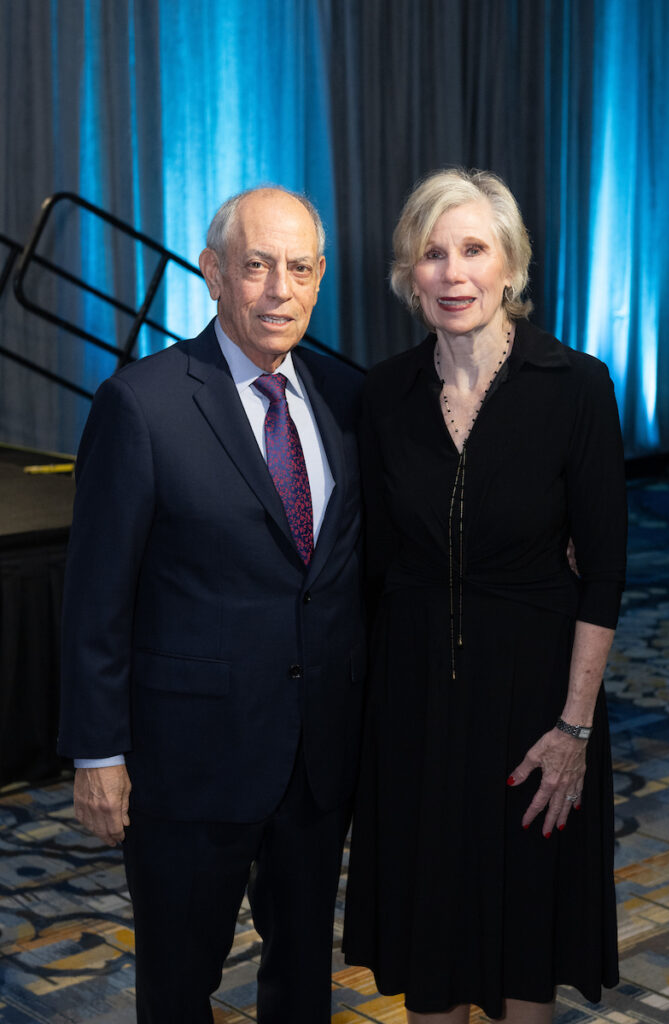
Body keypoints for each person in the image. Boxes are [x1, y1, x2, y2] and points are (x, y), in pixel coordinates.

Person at [58, 186, 366, 1024]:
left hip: (316, 756)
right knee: (178, 980)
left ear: (320, 277)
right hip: (187, 762)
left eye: (299, 269)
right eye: (257, 266)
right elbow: (96, 597)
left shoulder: (347, 399)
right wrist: (97, 754)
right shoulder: (143, 404)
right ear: (213, 273)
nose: (279, 290)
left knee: (303, 974)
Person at [342, 168, 627, 1023]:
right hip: (415, 709)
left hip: (536, 711)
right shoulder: (382, 395)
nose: (452, 273)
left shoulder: (574, 386)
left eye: (473, 250)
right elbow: (373, 569)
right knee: (428, 953)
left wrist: (573, 727)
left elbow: (605, 573)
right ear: (408, 274)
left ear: (511, 268)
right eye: (432, 254)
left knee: (520, 967)